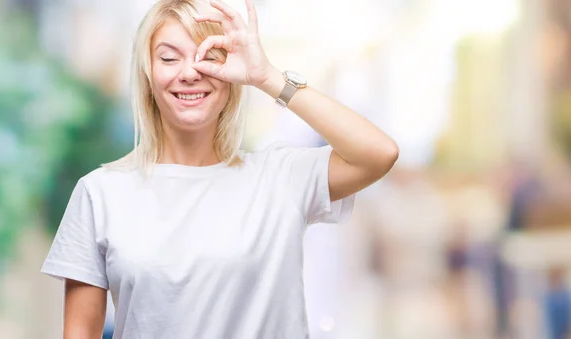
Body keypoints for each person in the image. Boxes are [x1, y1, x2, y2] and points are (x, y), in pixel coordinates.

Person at [40, 0, 399, 338]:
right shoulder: (100, 193)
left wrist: (268, 77)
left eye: (208, 57)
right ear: (148, 76)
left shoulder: (280, 176)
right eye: (168, 58)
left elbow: (379, 153)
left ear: (230, 76)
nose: (190, 73)